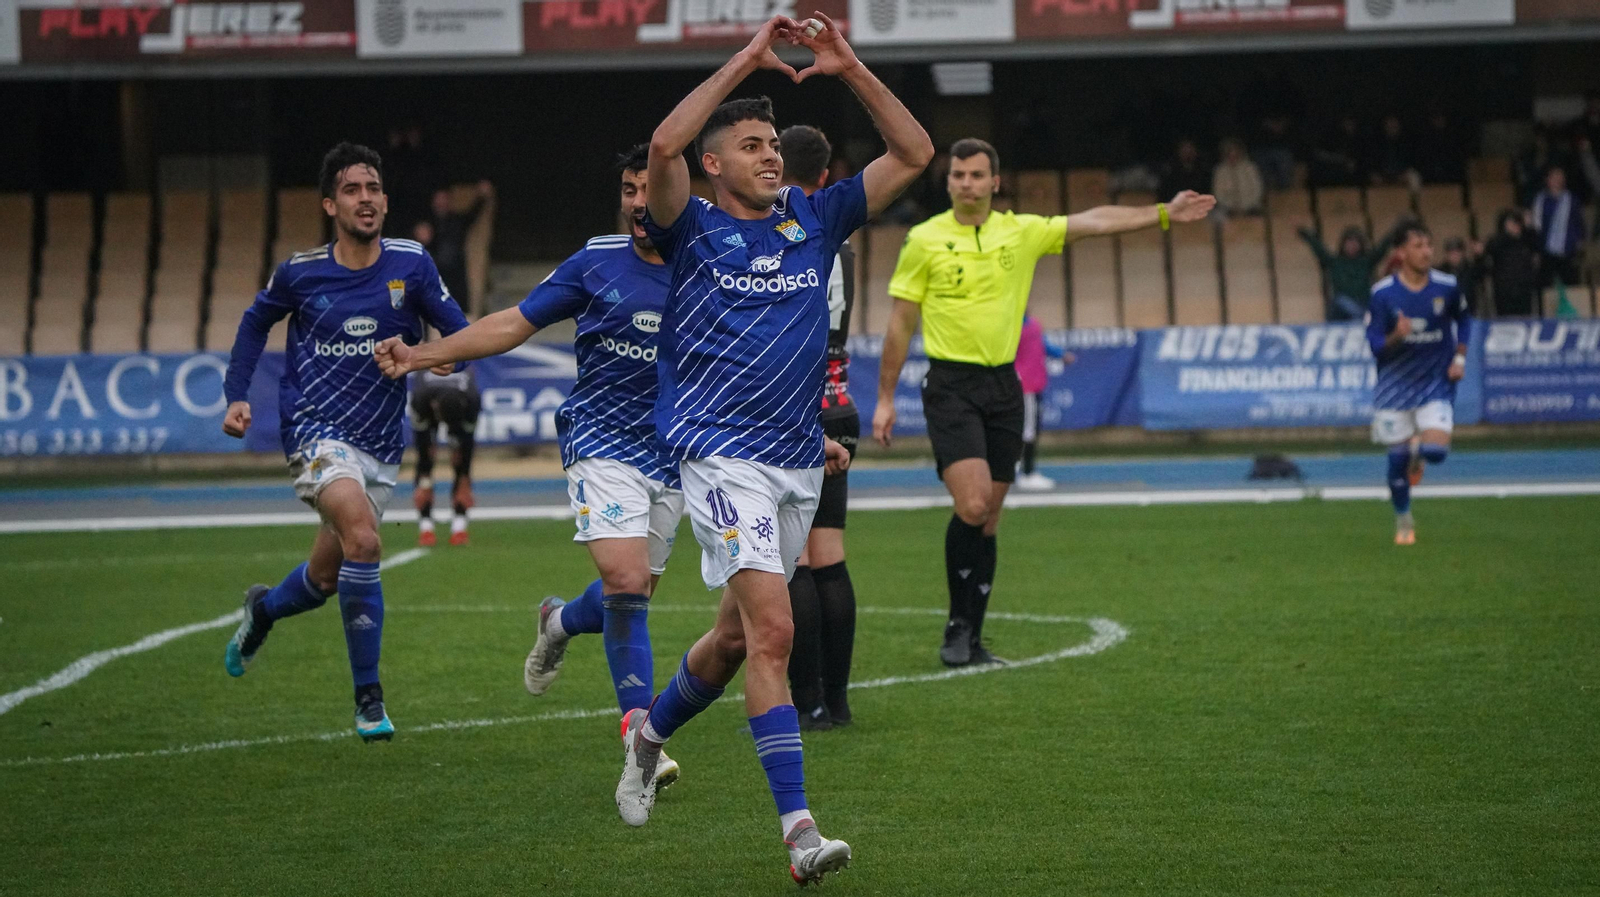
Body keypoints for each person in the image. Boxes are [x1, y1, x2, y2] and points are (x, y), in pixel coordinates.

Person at [615, 15, 931, 885]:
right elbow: (665, 141)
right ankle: (798, 830)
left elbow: (913, 153)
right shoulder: (691, 227)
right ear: (713, 166)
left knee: (727, 642)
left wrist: (851, 66)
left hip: (794, 459)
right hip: (720, 457)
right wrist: (749, 59)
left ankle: (648, 735)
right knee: (777, 630)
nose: (769, 156)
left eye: (771, 144)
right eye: (750, 145)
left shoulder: (813, 218)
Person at [374, 145, 685, 789]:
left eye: (646, 190)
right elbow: (512, 323)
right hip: (601, 439)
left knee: (634, 592)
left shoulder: (707, 262)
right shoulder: (596, 261)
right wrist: (421, 354)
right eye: (627, 189)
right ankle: (638, 730)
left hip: (676, 449)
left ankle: (559, 621)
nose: (634, 202)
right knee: (627, 580)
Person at [875, 137, 1213, 668]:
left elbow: (1093, 222)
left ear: (995, 182)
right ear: (948, 183)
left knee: (989, 520)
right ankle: (957, 625)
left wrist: (1165, 213)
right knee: (973, 504)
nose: (966, 183)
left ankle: (974, 638)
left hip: (1004, 389)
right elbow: (900, 321)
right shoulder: (923, 239)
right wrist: (886, 398)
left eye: (976, 175)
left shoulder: (1021, 231)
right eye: (957, 175)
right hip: (950, 387)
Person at [219, 142, 470, 741]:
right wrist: (237, 392)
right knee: (363, 537)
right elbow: (256, 322)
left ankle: (262, 610)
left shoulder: (412, 264)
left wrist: (434, 355)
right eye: (354, 190)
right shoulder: (301, 273)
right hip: (315, 433)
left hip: (382, 445)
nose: (367, 199)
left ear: (386, 200)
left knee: (322, 580)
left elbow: (458, 330)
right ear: (330, 204)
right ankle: (369, 699)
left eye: (374, 188)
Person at [777, 123, 859, 732]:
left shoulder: (775, 237)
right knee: (829, 555)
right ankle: (839, 699)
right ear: (826, 177)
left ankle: (804, 700)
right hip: (841, 401)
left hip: (792, 406)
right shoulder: (843, 246)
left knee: (799, 562)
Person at [1365, 223, 1470, 546]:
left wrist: (1459, 359)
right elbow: (1375, 345)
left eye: (1428, 245)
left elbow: (1464, 320)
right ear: (1401, 253)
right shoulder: (1383, 294)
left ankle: (1420, 454)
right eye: (1418, 246)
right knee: (1396, 463)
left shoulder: (1447, 286)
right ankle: (1403, 519)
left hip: (1434, 381)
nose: (1426, 252)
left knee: (1435, 452)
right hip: (1394, 385)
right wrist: (1398, 334)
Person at [408, 363, 480, 547]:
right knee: (426, 464)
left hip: (459, 409)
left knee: (461, 464)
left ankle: (459, 527)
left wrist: (464, 476)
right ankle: (426, 528)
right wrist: (424, 482)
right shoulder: (420, 400)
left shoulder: (471, 401)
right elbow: (425, 452)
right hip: (428, 408)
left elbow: (466, 446)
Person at [1298, 223, 1406, 322]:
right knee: (1339, 301)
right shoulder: (1334, 262)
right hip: (1341, 309)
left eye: (1355, 243)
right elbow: (1319, 249)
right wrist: (1306, 234)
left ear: (1360, 245)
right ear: (1343, 244)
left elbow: (1382, 248)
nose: (1352, 246)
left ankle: (1361, 318)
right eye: (1349, 242)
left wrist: (1396, 229)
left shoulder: (1367, 261)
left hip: (1363, 304)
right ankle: (1361, 318)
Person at [1014, 314, 1072, 492]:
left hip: (1034, 384)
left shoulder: (1032, 324)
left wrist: (1060, 354)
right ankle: (1027, 473)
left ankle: (1025, 470)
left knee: (1031, 429)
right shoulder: (1010, 326)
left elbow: (1043, 345)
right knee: (1028, 431)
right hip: (1023, 385)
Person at [428, 181, 494, 312]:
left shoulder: (456, 221)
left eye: (444, 199)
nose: (441, 203)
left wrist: (482, 197)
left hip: (455, 273)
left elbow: (472, 215)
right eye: (438, 200)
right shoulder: (427, 223)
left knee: (457, 309)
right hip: (434, 272)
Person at [1530, 166, 1586, 290]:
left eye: (1560, 177)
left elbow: (1579, 223)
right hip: (1546, 250)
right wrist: (1536, 249)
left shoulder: (1572, 200)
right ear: (1548, 180)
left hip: (1567, 249)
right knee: (1545, 286)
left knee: (1571, 286)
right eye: (1554, 177)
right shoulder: (1540, 200)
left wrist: (1578, 242)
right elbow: (1537, 226)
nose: (1557, 180)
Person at [1479, 209, 1541, 317]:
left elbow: (1537, 244)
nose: (1515, 226)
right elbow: (1489, 251)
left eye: (1518, 223)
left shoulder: (1527, 240)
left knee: (1525, 318)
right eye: (1512, 223)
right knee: (1505, 320)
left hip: (1524, 289)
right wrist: (1508, 234)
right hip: (1504, 290)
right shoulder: (1497, 241)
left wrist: (1528, 226)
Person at [1212, 138, 1264, 216]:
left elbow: (1257, 190)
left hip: (1250, 207)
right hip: (1228, 209)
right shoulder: (1220, 171)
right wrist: (1232, 207)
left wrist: (1244, 207)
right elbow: (1218, 194)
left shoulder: (1250, 168)